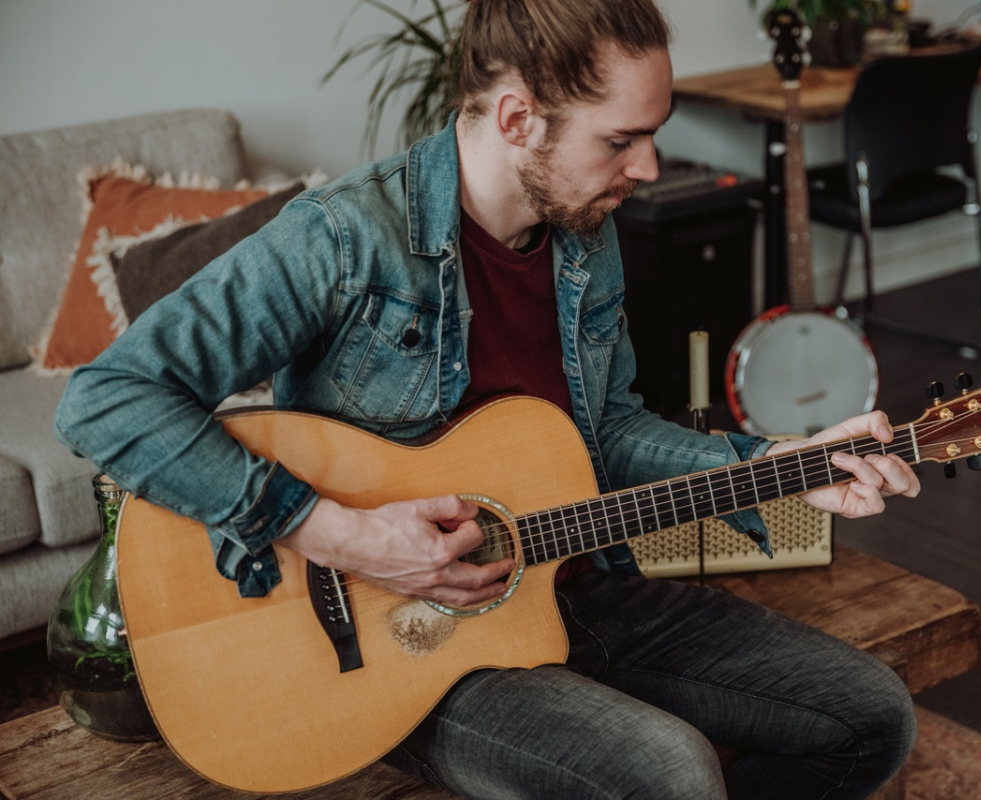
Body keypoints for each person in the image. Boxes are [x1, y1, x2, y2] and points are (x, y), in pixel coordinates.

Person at [55, 0, 921, 797]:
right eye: (620, 140)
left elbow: (608, 433)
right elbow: (105, 399)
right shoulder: (345, 238)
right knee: (669, 775)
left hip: (579, 580)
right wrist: (342, 534)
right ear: (517, 119)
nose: (647, 167)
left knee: (869, 718)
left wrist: (773, 467)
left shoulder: (586, 238)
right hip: (403, 643)